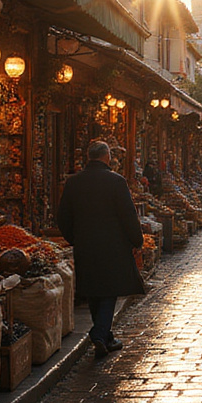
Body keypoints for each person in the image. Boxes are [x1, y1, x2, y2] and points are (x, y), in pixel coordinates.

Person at [56, 140, 145, 358]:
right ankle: (99, 333)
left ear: (89, 157)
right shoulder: (116, 181)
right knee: (109, 291)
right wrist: (137, 239)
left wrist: (73, 238)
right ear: (107, 157)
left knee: (94, 289)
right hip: (112, 245)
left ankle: (106, 336)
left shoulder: (74, 182)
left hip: (86, 244)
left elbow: (63, 217)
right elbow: (128, 214)